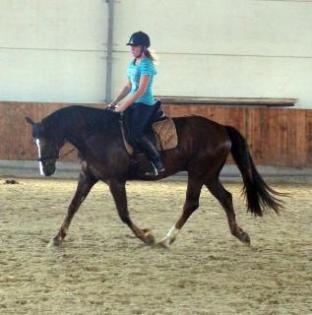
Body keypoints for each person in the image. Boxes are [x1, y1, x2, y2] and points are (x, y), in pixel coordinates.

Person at [108, 31, 165, 176]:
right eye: (131, 46)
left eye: (135, 46)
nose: (132, 49)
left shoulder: (147, 65)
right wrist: (114, 102)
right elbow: (128, 86)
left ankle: (156, 162)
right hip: (133, 102)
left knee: (136, 132)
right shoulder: (132, 63)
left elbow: (140, 90)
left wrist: (123, 106)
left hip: (144, 103)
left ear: (144, 47)